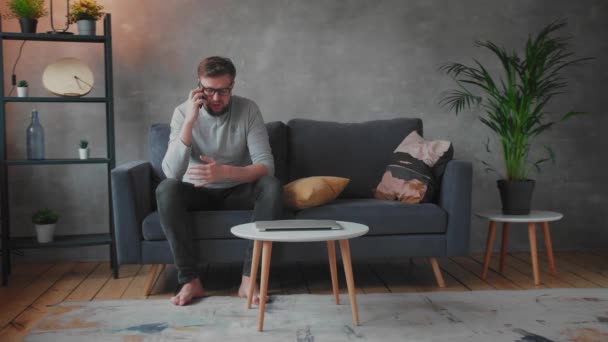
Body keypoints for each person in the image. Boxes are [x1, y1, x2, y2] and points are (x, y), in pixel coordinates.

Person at [156, 56, 282, 306]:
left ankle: (249, 279)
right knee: (166, 189)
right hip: (197, 191)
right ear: (198, 87)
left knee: (272, 186)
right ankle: (190, 281)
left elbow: (266, 167)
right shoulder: (182, 113)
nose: (215, 98)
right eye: (209, 90)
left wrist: (225, 172)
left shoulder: (248, 109)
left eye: (223, 91)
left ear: (232, 86)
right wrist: (190, 121)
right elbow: (171, 172)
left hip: (238, 189)